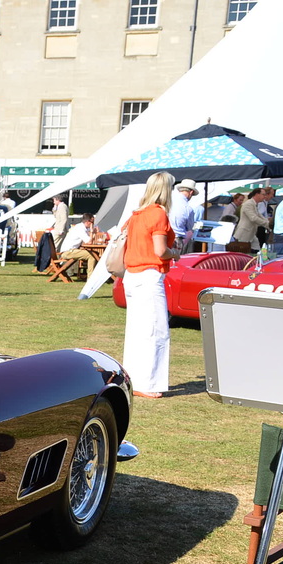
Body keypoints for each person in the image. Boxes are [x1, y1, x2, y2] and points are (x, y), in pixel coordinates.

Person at [120, 171, 179, 399]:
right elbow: (160, 250)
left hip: (132, 275)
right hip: (148, 274)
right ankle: (148, 383)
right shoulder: (158, 214)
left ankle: (134, 379)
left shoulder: (137, 214)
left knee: (136, 331)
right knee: (156, 331)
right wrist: (175, 253)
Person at [230, 186, 269, 253]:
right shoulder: (248, 204)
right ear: (257, 194)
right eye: (263, 194)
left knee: (257, 250)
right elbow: (253, 218)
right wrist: (267, 224)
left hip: (251, 233)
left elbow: (259, 216)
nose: (265, 196)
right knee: (243, 253)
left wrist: (268, 223)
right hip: (244, 233)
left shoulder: (254, 204)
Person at [169, 179, 200, 249]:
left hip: (164, 236)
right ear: (191, 192)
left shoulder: (169, 200)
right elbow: (189, 227)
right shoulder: (188, 208)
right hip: (177, 239)